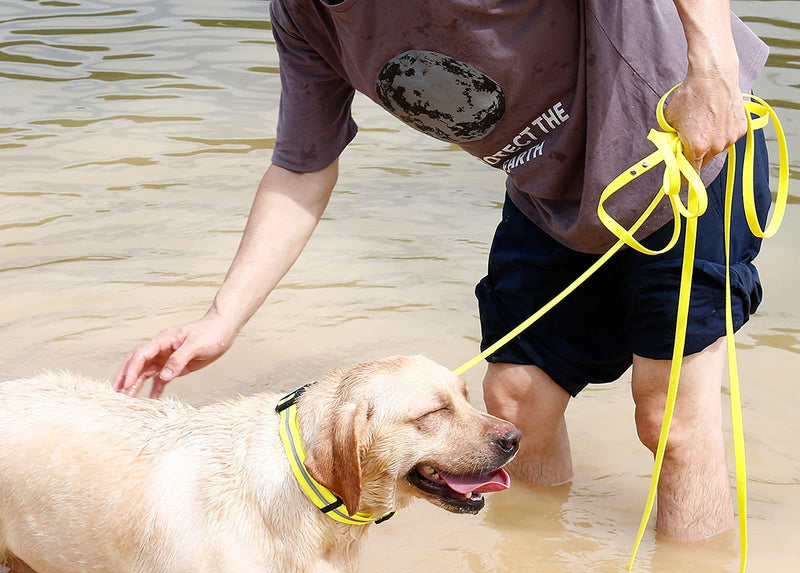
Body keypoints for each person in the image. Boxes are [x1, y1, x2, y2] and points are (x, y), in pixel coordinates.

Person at [115, 0, 771, 541]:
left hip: (691, 149)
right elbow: (301, 166)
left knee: (667, 418)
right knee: (516, 399)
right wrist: (221, 319)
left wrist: (712, 70)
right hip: (555, 195)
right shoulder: (305, 16)